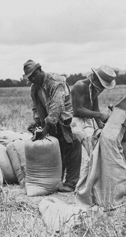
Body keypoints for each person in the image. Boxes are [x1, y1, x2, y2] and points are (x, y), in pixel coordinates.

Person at [23, 59, 82, 192]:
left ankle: (71, 183)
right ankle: (56, 180)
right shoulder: (34, 88)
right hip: (51, 120)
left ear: (40, 70)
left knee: (72, 148)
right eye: (29, 77)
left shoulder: (55, 82)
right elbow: (36, 107)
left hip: (67, 118)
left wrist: (45, 130)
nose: (32, 79)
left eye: (34, 75)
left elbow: (56, 107)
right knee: (58, 149)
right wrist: (37, 122)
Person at [70, 65, 116, 156]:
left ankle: (91, 169)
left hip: (88, 122)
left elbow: (95, 108)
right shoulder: (80, 86)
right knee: (92, 151)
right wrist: (99, 115)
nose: (102, 89)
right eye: (102, 85)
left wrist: (100, 124)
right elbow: (78, 109)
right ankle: (93, 169)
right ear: (95, 78)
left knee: (94, 151)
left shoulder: (94, 89)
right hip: (77, 122)